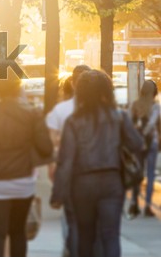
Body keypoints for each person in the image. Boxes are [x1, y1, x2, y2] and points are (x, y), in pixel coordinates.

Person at [51, 70, 144, 256]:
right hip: (111, 182)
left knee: (86, 235)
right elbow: (137, 144)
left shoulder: (73, 121)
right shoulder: (118, 117)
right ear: (107, 91)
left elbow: (66, 161)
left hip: (82, 184)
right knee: (110, 236)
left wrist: (58, 195)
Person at [0, 66, 53, 257]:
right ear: (18, 87)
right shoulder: (32, 114)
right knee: (18, 232)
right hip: (22, 181)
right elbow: (46, 148)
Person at [45, 65, 91, 256]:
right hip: (94, 170)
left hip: (69, 170)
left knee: (70, 216)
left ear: (72, 83)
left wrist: (52, 166)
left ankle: (71, 250)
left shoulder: (61, 110)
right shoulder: (102, 109)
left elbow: (53, 143)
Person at [128, 79, 159, 218]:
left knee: (137, 173)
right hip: (151, 143)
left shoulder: (135, 105)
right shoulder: (156, 107)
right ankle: (147, 205)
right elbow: (157, 126)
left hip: (138, 143)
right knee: (150, 174)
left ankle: (134, 203)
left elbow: (130, 124)